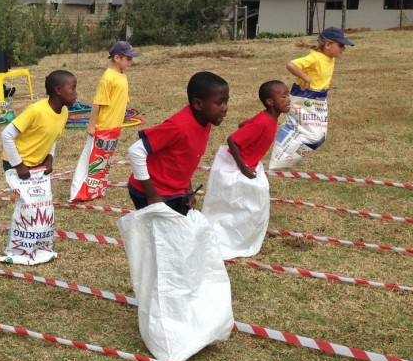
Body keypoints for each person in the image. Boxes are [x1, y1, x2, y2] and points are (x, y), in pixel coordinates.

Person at [201, 80, 290, 259]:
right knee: (236, 204)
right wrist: (243, 167)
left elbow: (244, 125)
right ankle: (229, 238)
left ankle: (244, 235)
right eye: (284, 96)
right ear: (270, 102)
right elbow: (232, 140)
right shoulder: (264, 122)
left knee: (254, 203)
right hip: (235, 167)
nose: (288, 99)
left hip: (249, 164)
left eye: (288, 95)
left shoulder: (267, 119)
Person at [0, 70, 76, 265]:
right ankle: (19, 251)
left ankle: (41, 247)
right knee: (28, 207)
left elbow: (52, 137)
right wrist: (19, 164)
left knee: (42, 208)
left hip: (38, 166)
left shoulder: (64, 112)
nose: (76, 93)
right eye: (72, 88)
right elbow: (6, 135)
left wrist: (50, 157)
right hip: (17, 164)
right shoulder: (36, 110)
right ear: (58, 90)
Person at [126, 71, 229, 215]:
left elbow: (184, 159)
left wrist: (188, 189)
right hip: (150, 193)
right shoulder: (178, 126)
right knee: (162, 237)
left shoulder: (205, 122)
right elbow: (135, 151)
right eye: (219, 103)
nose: (225, 108)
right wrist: (151, 195)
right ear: (199, 104)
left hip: (174, 192)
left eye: (226, 101)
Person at [269, 26, 354, 169]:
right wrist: (306, 78)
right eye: (340, 45)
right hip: (304, 98)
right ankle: (279, 159)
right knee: (312, 136)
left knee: (319, 137)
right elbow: (291, 64)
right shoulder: (315, 58)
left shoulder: (330, 58)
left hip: (318, 99)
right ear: (327, 45)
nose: (343, 48)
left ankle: (284, 159)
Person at [68, 41, 140, 202]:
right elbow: (98, 103)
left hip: (114, 127)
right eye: (128, 59)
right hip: (103, 127)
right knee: (92, 159)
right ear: (117, 58)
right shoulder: (108, 78)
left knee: (104, 160)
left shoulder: (121, 76)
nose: (131, 62)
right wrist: (91, 124)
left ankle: (97, 189)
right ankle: (79, 192)